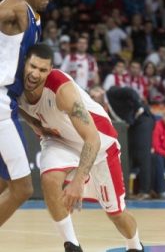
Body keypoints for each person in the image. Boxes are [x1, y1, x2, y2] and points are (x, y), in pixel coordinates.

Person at [19, 43, 144, 252]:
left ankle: (135, 246)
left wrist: (78, 181)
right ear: (24, 64)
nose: (35, 74)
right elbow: (18, 106)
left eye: (42, 70)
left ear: (50, 71)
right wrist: (34, 123)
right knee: (49, 179)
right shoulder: (13, 85)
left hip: (99, 144)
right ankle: (72, 246)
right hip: (60, 140)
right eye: (32, 66)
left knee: (116, 214)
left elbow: (92, 139)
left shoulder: (61, 90)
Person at [0, 0, 51, 226]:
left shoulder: (34, 19)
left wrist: (31, 121)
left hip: (7, 104)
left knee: (3, 183)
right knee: (22, 189)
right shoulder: (16, 6)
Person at [90, 85, 155, 200]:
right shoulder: (103, 107)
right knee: (130, 155)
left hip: (142, 119)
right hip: (133, 125)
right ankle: (132, 190)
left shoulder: (111, 92)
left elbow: (130, 91)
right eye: (91, 97)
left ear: (100, 91)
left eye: (93, 94)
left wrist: (138, 106)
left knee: (142, 155)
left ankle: (145, 191)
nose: (93, 98)